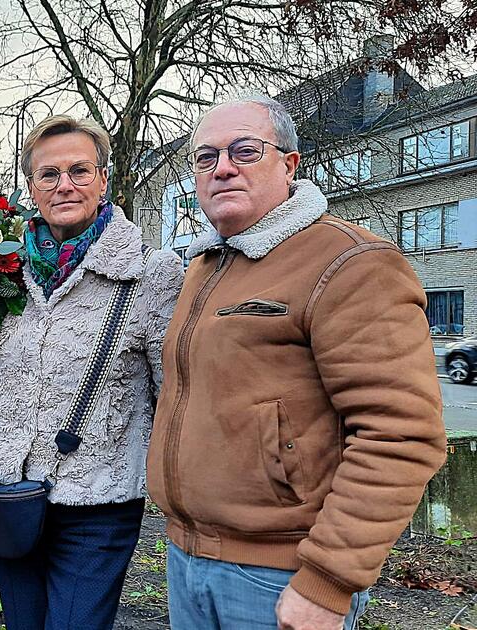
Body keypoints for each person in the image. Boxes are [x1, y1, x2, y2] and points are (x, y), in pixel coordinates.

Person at [148, 94, 446, 630]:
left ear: (289, 164)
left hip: (280, 575)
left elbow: (400, 434)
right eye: (205, 157)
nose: (223, 169)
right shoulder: (204, 267)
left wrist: (327, 581)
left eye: (244, 150)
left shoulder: (349, 263)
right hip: (187, 561)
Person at [0, 115, 184, 628]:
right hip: (9, 493)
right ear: (31, 187)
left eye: (79, 171)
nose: (65, 185)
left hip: (97, 502)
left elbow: (173, 391)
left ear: (103, 179)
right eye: (49, 174)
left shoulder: (151, 273)